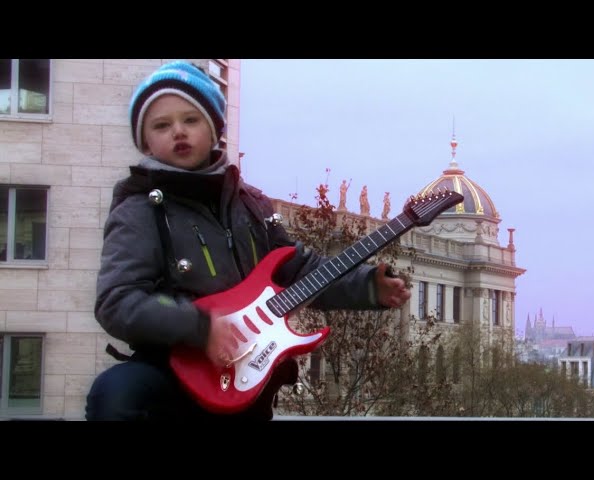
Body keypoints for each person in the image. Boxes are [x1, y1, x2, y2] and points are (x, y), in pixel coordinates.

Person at [85, 61, 410, 422]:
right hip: (173, 367)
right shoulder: (139, 209)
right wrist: (199, 328)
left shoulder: (251, 204)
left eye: (191, 120)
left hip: (247, 374)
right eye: (162, 125)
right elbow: (118, 301)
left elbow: (300, 269)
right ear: (145, 141)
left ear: (215, 130)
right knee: (113, 395)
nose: (178, 131)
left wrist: (368, 287)